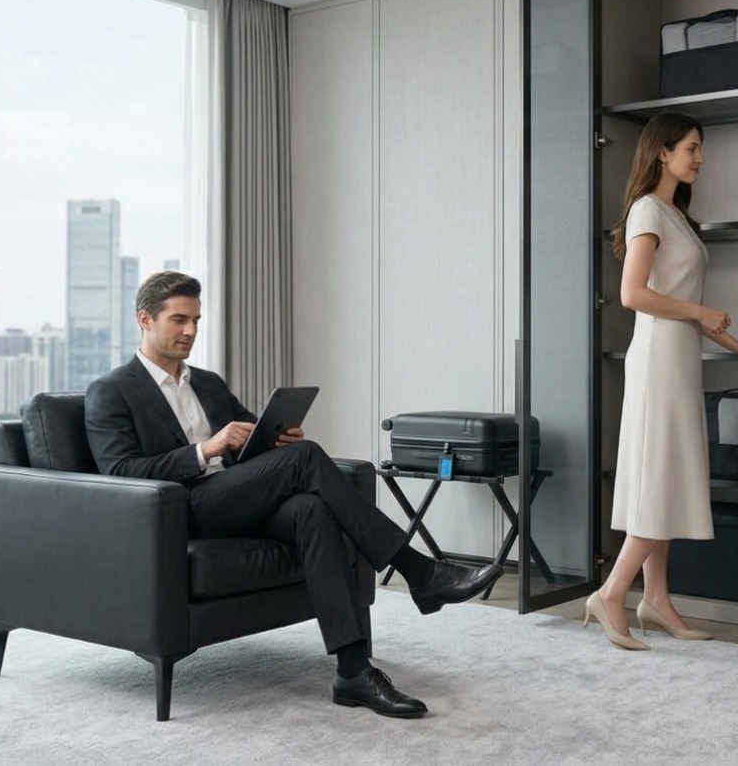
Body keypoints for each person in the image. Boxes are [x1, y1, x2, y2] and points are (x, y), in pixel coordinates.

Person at [84, 271, 503, 716]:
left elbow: (249, 438)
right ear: (145, 319)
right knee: (306, 458)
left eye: (196, 320)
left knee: (310, 509)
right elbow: (121, 471)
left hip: (232, 498)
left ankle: (353, 672)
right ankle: (419, 571)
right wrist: (204, 450)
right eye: (179, 320)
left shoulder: (206, 383)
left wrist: (273, 439)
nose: (190, 330)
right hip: (180, 510)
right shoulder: (112, 391)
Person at [585, 112, 738, 650]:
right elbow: (633, 294)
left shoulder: (674, 214)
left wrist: (734, 343)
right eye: (691, 148)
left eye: (700, 148)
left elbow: (682, 304)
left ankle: (656, 599)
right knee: (661, 477)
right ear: (662, 152)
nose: (700, 158)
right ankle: (612, 593)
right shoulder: (648, 209)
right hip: (658, 359)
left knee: (665, 477)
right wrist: (701, 311)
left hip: (677, 356)